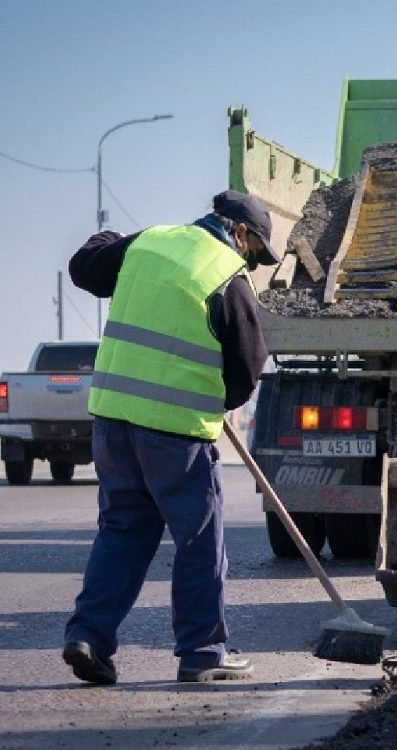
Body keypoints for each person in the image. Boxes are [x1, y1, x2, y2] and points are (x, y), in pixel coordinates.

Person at [63, 190, 276, 685]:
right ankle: (203, 653)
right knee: (199, 541)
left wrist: (108, 239)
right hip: (176, 436)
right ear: (239, 233)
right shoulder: (227, 275)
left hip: (113, 423)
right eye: (255, 251)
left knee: (122, 532)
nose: (252, 261)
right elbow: (247, 367)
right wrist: (219, 399)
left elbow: (84, 268)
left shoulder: (148, 243)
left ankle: (89, 636)